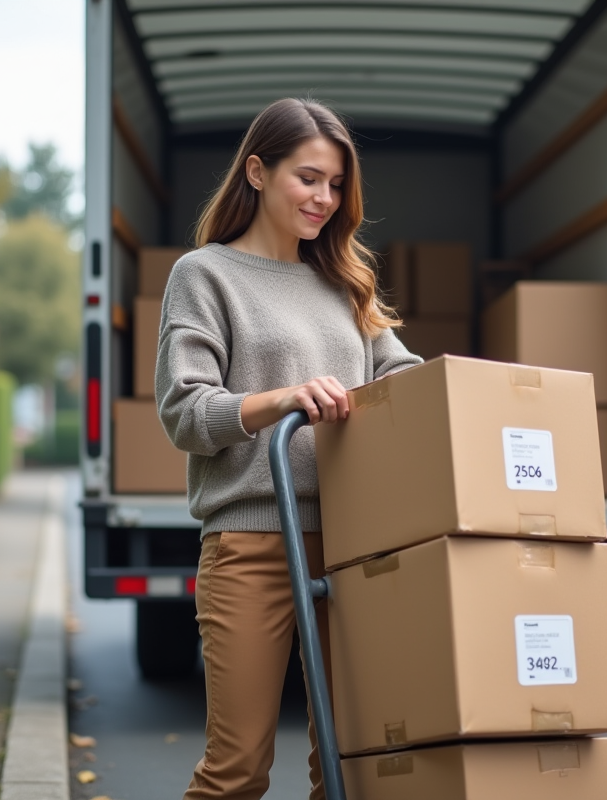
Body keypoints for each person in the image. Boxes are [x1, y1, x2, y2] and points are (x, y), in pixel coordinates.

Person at [154, 97, 422, 800]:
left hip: (356, 546)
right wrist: (282, 399)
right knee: (238, 771)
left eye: (335, 185)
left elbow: (399, 375)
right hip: (251, 545)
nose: (325, 199)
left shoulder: (345, 280)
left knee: (348, 766)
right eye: (308, 179)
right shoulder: (205, 275)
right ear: (256, 171)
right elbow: (184, 411)